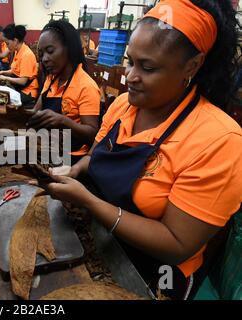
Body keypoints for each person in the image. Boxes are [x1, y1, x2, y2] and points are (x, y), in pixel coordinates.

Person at [41, 0, 242, 299]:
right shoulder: (124, 106)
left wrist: (90, 202)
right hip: (102, 239)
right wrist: (72, 171)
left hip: (155, 273)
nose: (129, 77)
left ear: (193, 65)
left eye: (147, 67)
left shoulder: (219, 140)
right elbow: (95, 156)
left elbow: (177, 244)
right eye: (129, 61)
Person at [27, 20, 101, 164]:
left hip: (71, 157)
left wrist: (63, 121)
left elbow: (92, 135)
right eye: (41, 54)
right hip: (48, 147)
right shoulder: (51, 80)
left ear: (68, 48)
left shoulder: (86, 86)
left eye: (50, 51)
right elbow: (36, 112)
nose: (45, 59)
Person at [0, 24, 39, 106]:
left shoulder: (26, 55)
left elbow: (23, 81)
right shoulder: (18, 51)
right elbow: (14, 70)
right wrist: (1, 72)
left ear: (15, 41)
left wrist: (5, 78)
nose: (7, 46)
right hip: (19, 87)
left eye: (8, 43)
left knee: (1, 102)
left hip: (27, 92)